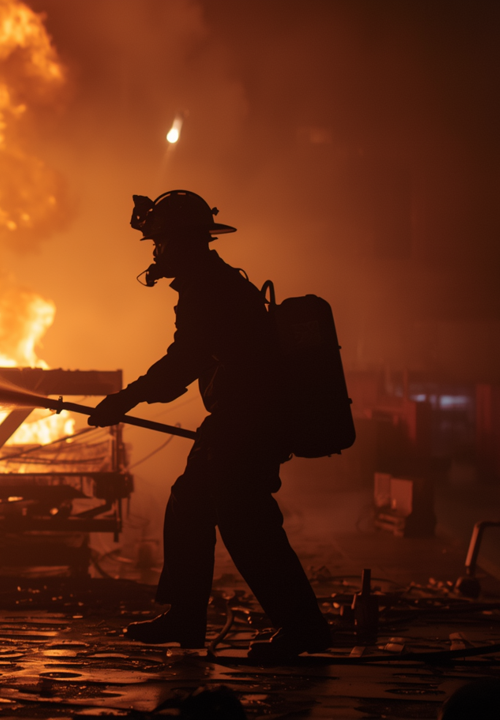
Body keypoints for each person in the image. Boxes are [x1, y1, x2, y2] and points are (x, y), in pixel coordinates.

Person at [88, 190, 331, 661]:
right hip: (240, 418)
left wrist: (125, 398)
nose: (155, 252)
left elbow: (184, 361)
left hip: (251, 420)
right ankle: (186, 616)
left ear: (181, 242)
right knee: (189, 504)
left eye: (159, 242)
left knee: (247, 523)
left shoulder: (208, 289)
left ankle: (303, 626)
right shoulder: (210, 282)